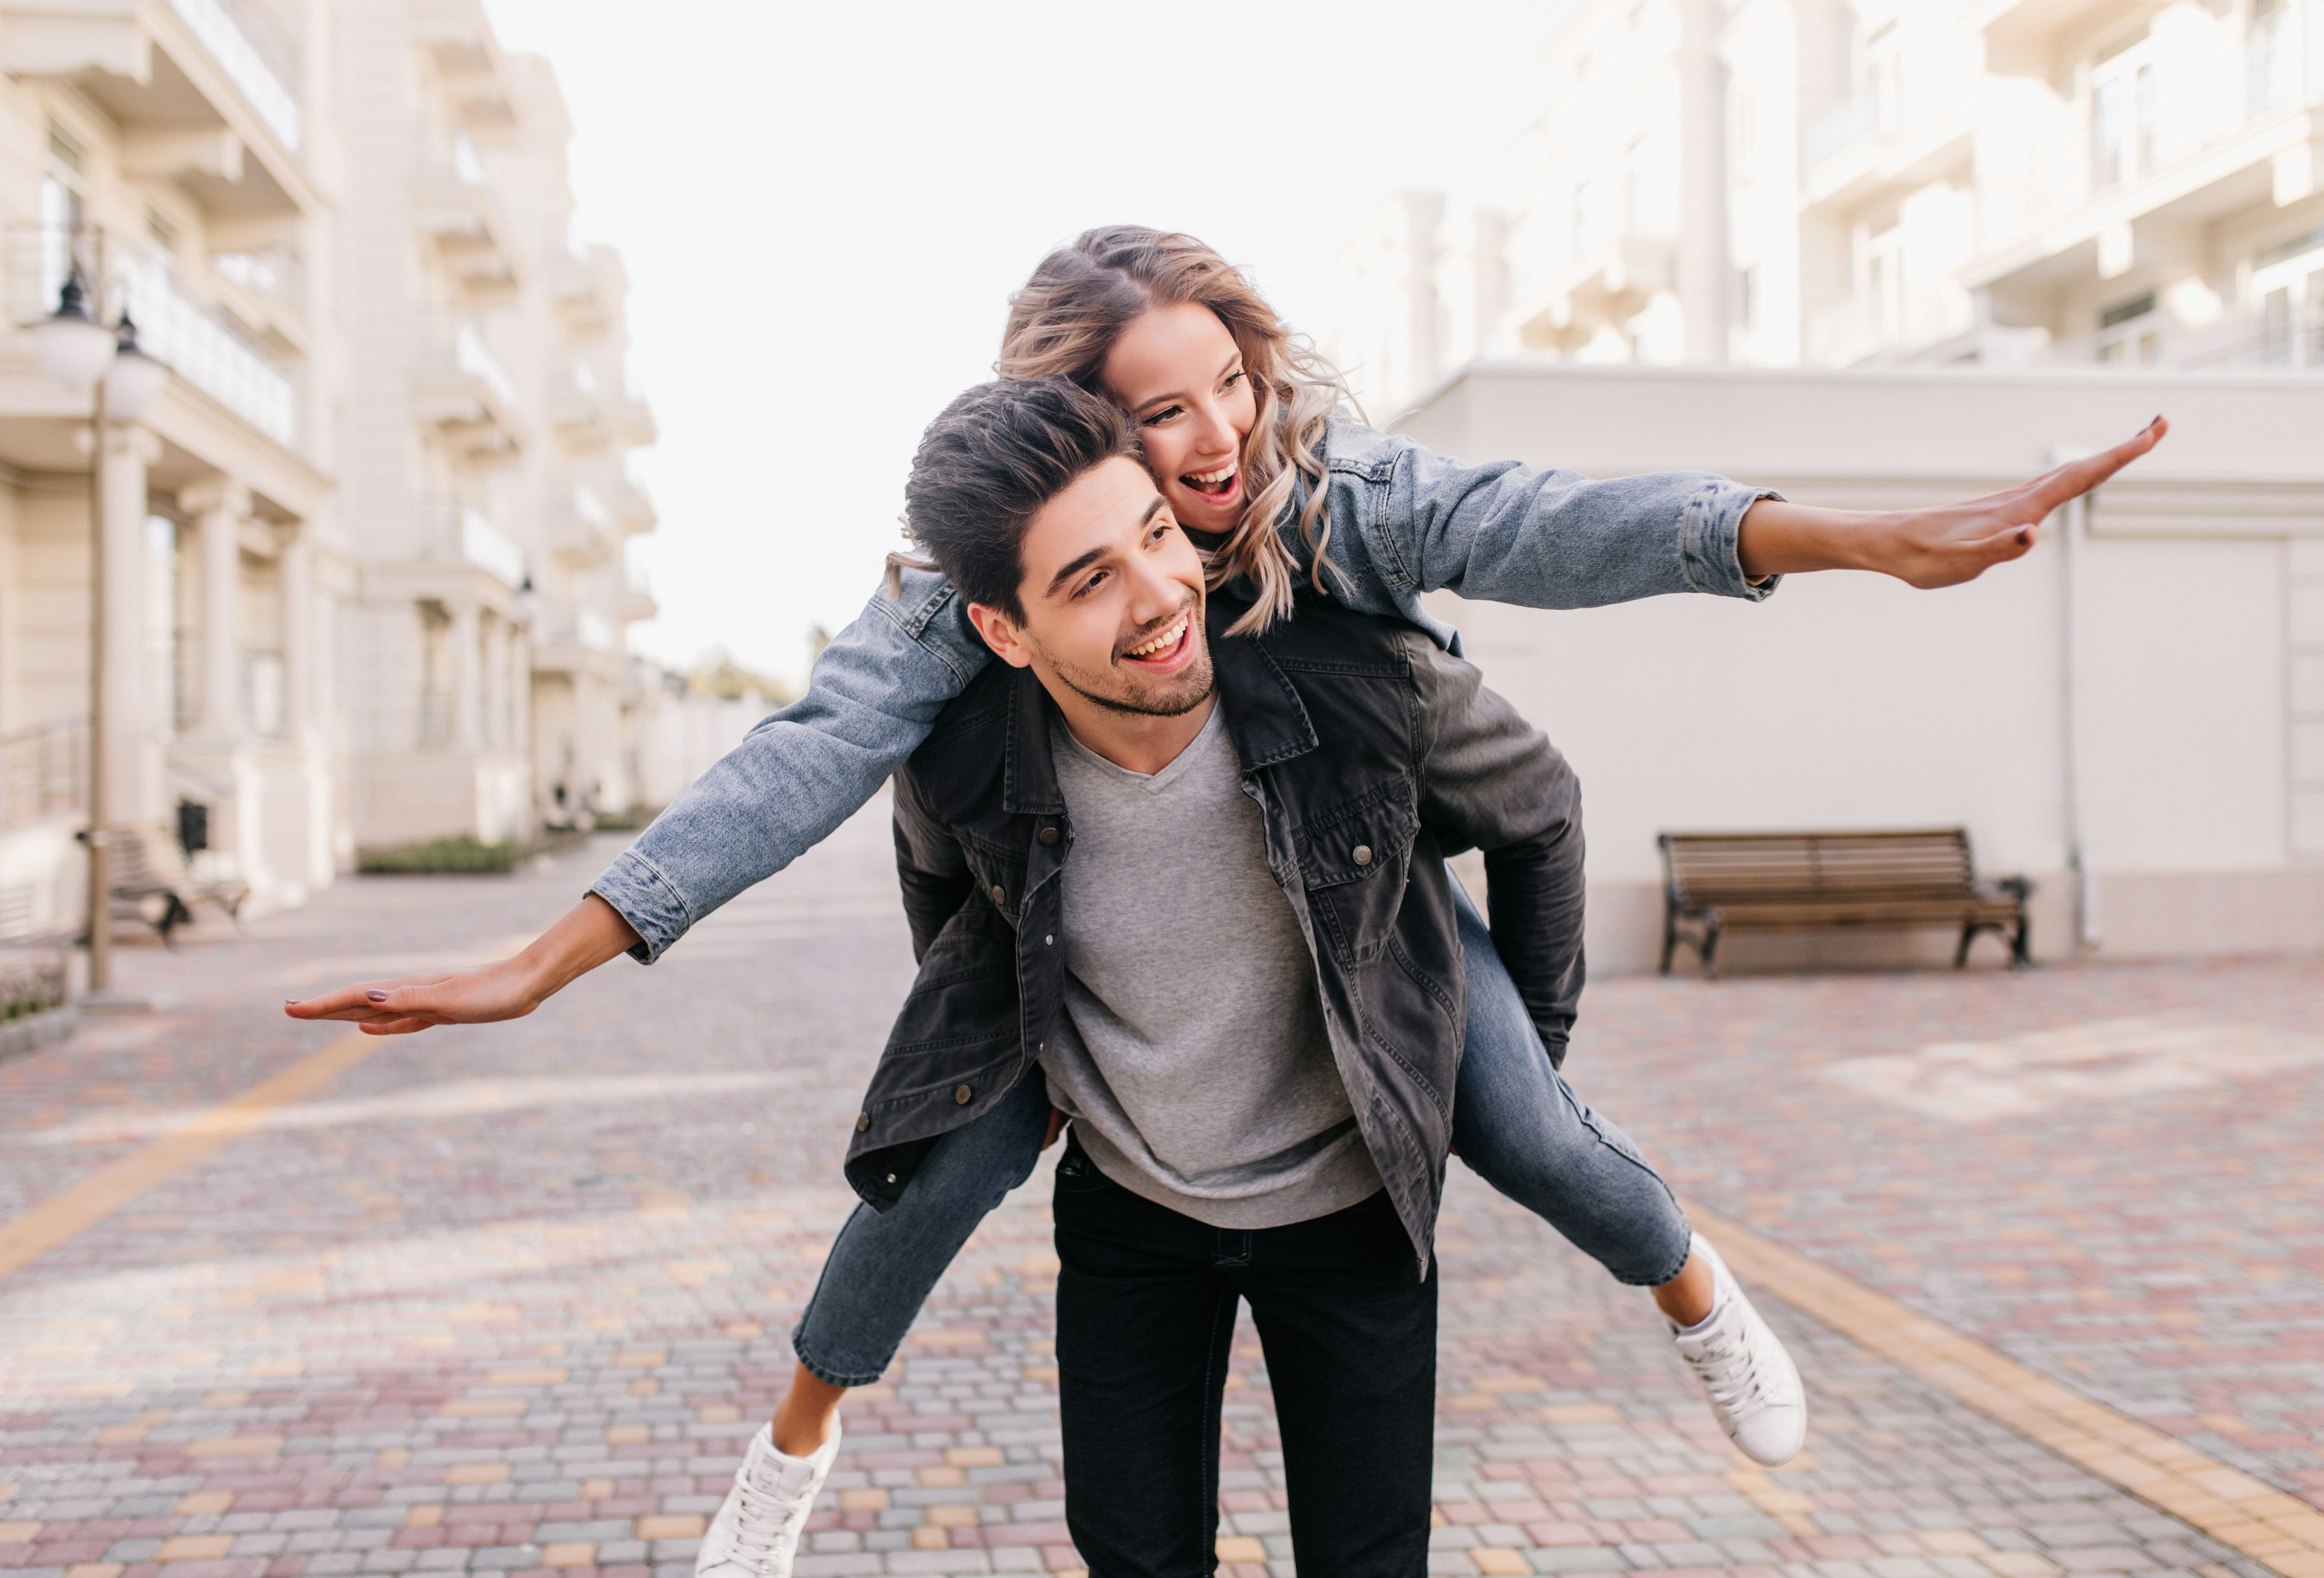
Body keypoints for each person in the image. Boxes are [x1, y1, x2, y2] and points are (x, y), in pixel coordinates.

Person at [285, 231, 2166, 1564]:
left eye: (1229, 386)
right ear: (1069, 446)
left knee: (1539, 1135)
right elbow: (807, 755)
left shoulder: (1330, 497)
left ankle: (1692, 1289)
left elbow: (1549, 522)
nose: (1216, 442)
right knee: (929, 1171)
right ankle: (795, 1443)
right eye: (1158, 414)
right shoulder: (976, 592)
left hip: (1369, 935)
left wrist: (1847, 539)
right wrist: (553, 957)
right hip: (1096, 1017)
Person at [851, 375, 1770, 1572]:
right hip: (1134, 1215)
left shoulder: (1354, 677)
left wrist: (1518, 1064)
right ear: (1004, 630)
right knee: (1131, 1557)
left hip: (1353, 1211)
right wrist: (1025, 1066)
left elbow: (1541, 812)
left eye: (1160, 538)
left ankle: (1693, 1287)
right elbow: (949, 908)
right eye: (1088, 578)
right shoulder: (962, 752)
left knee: (1368, 1560)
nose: (1157, 593)